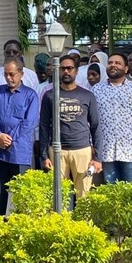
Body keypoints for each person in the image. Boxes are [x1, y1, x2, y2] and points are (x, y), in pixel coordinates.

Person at [39, 55, 102, 201]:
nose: (66, 71)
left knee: (84, 196)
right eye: (63, 68)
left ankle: (83, 224)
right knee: (59, 197)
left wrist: (97, 157)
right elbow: (43, 126)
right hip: (57, 151)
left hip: (82, 151)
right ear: (57, 70)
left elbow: (96, 126)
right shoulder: (49, 96)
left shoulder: (87, 95)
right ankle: (61, 224)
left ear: (76, 71)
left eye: (69, 68)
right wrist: (44, 155)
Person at [0, 57, 39, 221]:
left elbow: (29, 122)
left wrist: (9, 139)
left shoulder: (30, 95)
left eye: (12, 74)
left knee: (20, 191)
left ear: (21, 74)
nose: (9, 78)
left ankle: (18, 226)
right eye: (6, 74)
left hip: (19, 151)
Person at [91, 53, 132, 184]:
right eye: (110, 62)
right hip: (106, 150)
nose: (113, 65)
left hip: (131, 151)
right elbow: (91, 121)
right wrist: (93, 145)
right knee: (111, 192)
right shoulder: (97, 90)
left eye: (117, 63)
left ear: (126, 69)